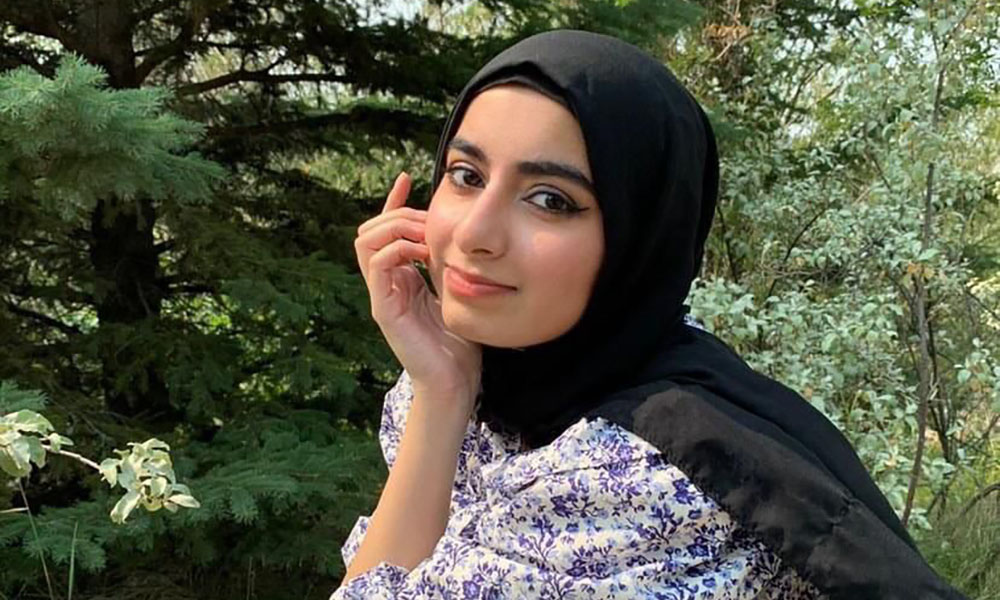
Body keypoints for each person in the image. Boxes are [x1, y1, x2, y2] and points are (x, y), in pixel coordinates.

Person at [336, 29, 965, 599]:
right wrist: (442, 390)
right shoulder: (506, 375)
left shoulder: (630, 479)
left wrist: (441, 400)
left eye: (550, 199)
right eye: (466, 175)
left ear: (642, 241)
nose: (476, 232)